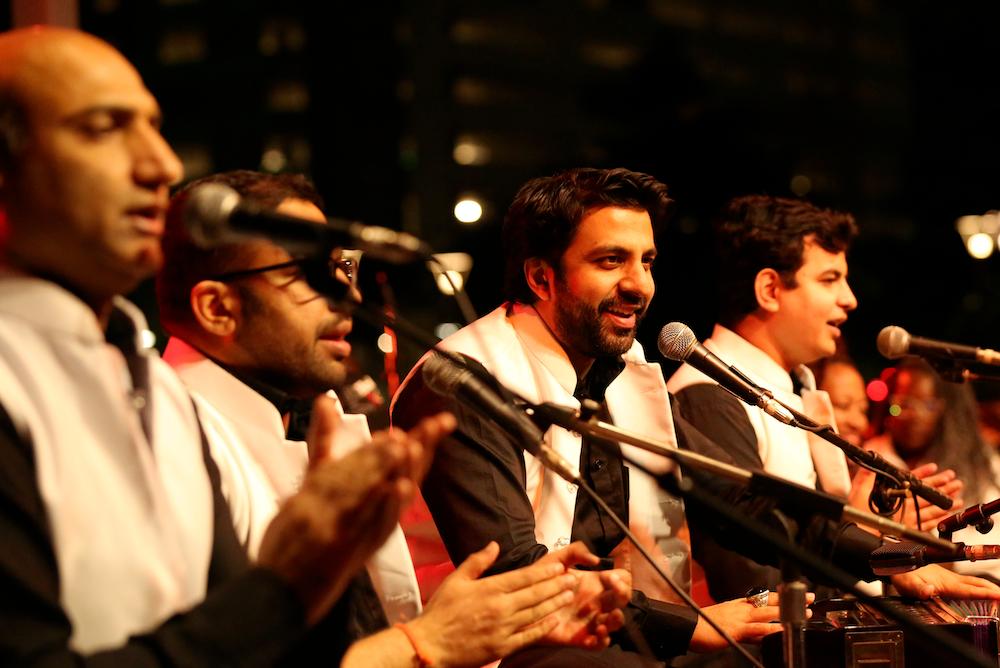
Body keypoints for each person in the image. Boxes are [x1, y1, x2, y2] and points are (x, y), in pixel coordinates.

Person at [0, 26, 455, 664]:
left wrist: (319, 575)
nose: (159, 163)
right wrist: (299, 588)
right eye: (104, 126)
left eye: (154, 126)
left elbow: (244, 642)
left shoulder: (147, 380)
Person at [156, 169, 631, 666]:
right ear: (216, 307)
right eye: (307, 274)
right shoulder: (168, 444)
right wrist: (425, 642)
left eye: (343, 268)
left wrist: (472, 623)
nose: (351, 297)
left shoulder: (309, 416)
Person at [667, 195, 965, 600]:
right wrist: (866, 541)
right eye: (829, 279)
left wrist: (873, 534)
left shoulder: (793, 387)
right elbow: (747, 586)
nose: (849, 299)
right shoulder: (707, 396)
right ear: (770, 289)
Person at [867, 358, 1000, 580]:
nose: (913, 416)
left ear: (950, 413)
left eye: (928, 405)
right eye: (903, 404)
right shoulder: (873, 459)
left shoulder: (984, 468)